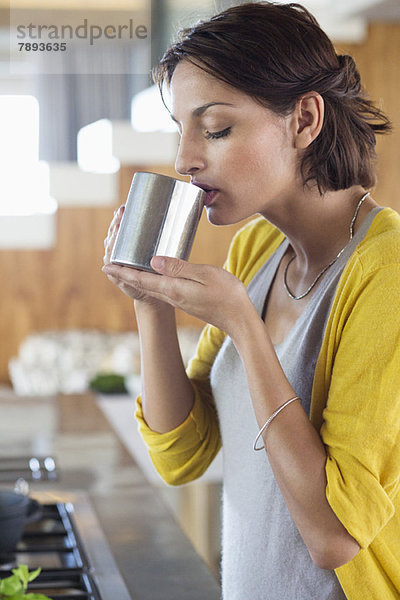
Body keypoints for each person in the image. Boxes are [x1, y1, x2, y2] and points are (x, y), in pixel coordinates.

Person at [102, 2, 400, 599]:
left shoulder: (384, 274)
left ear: (305, 119)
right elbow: (181, 455)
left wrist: (243, 323)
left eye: (215, 128)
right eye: (181, 131)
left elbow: (335, 535)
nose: (185, 159)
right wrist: (151, 301)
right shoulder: (258, 249)